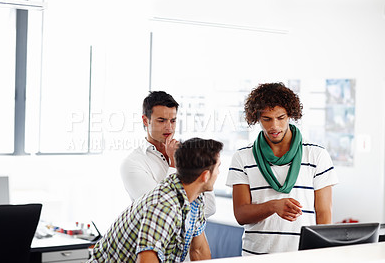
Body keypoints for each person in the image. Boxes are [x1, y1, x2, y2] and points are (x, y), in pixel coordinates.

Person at [226, 82, 338, 255]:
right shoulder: (242, 157)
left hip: (303, 255)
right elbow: (241, 214)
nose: (274, 126)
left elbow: (324, 214)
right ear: (256, 118)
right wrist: (273, 206)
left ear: (290, 115)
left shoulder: (317, 155)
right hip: (256, 256)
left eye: (281, 117)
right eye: (267, 119)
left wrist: (322, 255)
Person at [88, 138, 223, 262]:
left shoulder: (195, 199)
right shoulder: (164, 207)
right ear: (205, 176)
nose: (218, 173)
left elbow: (199, 251)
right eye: (218, 168)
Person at [120, 91, 216, 217]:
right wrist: (175, 164)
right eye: (162, 121)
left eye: (173, 120)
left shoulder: (188, 154)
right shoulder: (132, 164)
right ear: (145, 120)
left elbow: (209, 208)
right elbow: (159, 211)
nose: (169, 128)